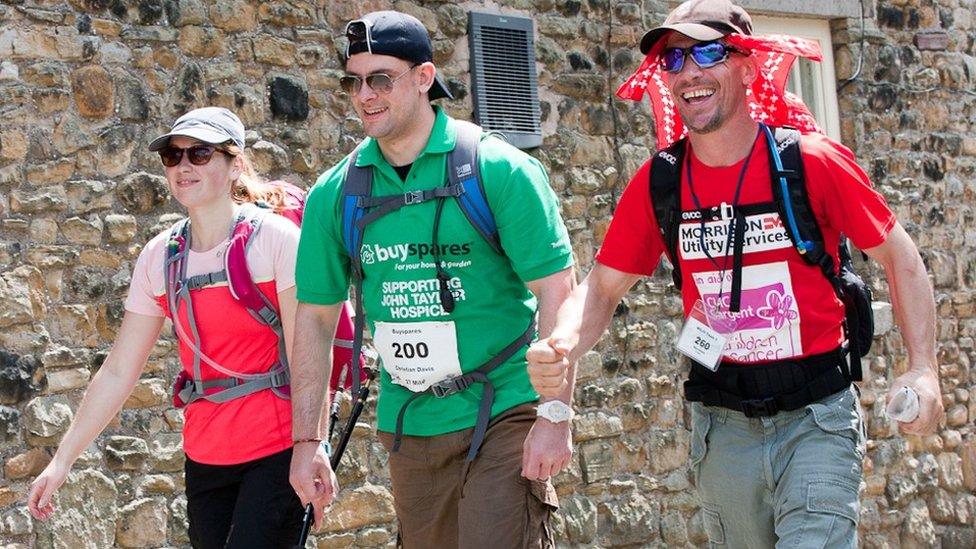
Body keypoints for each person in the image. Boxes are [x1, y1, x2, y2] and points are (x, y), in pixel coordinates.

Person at [526, 1, 944, 547]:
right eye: (673, 61)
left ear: (747, 66)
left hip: (815, 418)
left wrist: (923, 368)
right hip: (721, 427)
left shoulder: (810, 161)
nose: (689, 73)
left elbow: (901, 259)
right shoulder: (661, 183)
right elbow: (602, 288)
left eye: (707, 52)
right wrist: (563, 342)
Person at [287, 10, 576, 547]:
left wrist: (555, 413)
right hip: (411, 421)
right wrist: (308, 440)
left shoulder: (498, 169)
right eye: (354, 81)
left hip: (504, 407)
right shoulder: (336, 193)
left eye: (381, 78)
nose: (364, 95)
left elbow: (558, 289)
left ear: (424, 78)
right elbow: (316, 318)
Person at [27, 107, 316, 548]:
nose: (183, 166)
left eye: (200, 154)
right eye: (173, 156)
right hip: (205, 453)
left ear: (235, 163)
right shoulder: (160, 256)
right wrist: (62, 461)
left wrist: (311, 445)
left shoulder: (276, 241)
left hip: (276, 449)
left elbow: (308, 353)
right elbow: (121, 368)